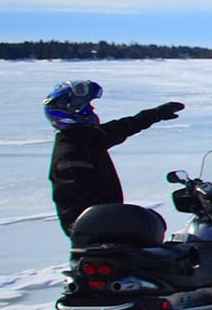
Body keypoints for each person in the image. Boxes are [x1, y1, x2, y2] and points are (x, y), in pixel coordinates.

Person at [44, 80, 184, 235]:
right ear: (74, 111)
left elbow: (123, 127)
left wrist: (156, 113)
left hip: (105, 227)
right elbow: (85, 203)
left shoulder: (85, 139)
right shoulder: (70, 156)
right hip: (95, 234)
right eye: (88, 106)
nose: (92, 109)